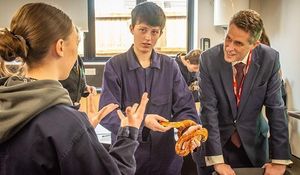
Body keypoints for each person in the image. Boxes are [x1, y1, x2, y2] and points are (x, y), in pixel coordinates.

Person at [0, 3, 149, 175]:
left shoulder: (6, 106)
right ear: (60, 46)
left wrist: (83, 135)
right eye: (76, 44)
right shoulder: (66, 124)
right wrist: (128, 134)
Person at [99, 2, 201, 175]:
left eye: (154, 32)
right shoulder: (114, 66)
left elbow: (185, 106)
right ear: (132, 28)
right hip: (128, 158)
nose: (148, 38)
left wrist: (189, 127)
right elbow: (107, 113)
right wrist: (142, 121)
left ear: (161, 32)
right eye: (143, 30)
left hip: (166, 160)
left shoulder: (170, 66)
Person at [194, 9, 292, 175]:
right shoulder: (209, 59)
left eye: (238, 43)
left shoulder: (270, 59)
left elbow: (276, 109)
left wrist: (279, 161)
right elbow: (208, 110)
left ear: (254, 44)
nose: (229, 48)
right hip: (216, 145)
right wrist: (218, 161)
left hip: (253, 147)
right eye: (228, 38)